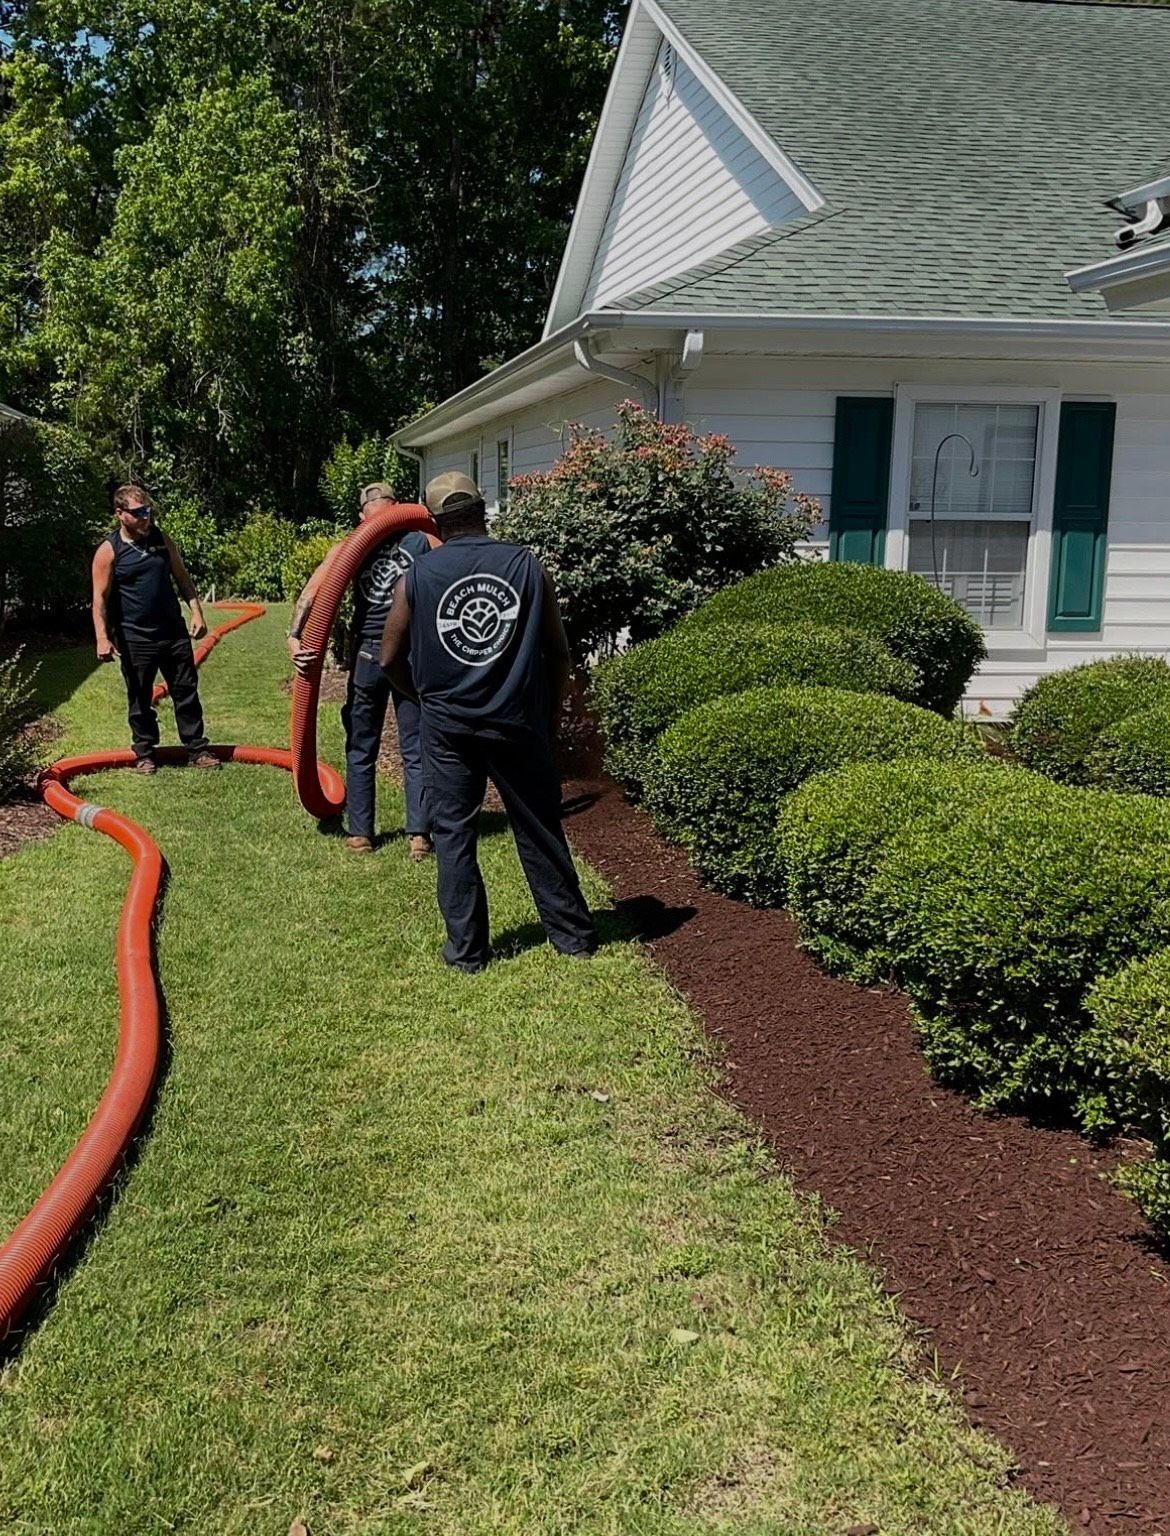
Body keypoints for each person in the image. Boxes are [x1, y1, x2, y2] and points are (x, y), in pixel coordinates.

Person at [380, 471, 597, 974]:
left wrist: (425, 697)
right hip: (518, 724)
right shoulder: (526, 565)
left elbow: (389, 657)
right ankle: (573, 938)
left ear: (434, 521)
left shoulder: (417, 576)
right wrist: (548, 715)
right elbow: (558, 652)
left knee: (454, 834)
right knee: (539, 827)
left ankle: (466, 953)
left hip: (448, 729)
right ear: (483, 510)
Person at [287, 482, 436, 858]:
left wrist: (294, 635)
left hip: (372, 656)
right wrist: (295, 638)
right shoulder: (422, 543)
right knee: (414, 746)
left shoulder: (353, 545)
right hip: (407, 657)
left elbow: (311, 593)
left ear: (362, 514)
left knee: (362, 745)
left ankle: (361, 833)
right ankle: (419, 834)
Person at [91, 484, 219, 775]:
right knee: (139, 697)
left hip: (173, 633)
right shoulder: (109, 551)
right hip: (135, 637)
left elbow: (183, 578)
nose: (146, 517)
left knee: (186, 690)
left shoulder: (162, 540)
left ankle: (197, 749)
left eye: (148, 511)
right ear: (120, 514)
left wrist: (196, 612)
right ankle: (145, 753)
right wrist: (102, 637)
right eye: (138, 513)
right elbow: (99, 598)